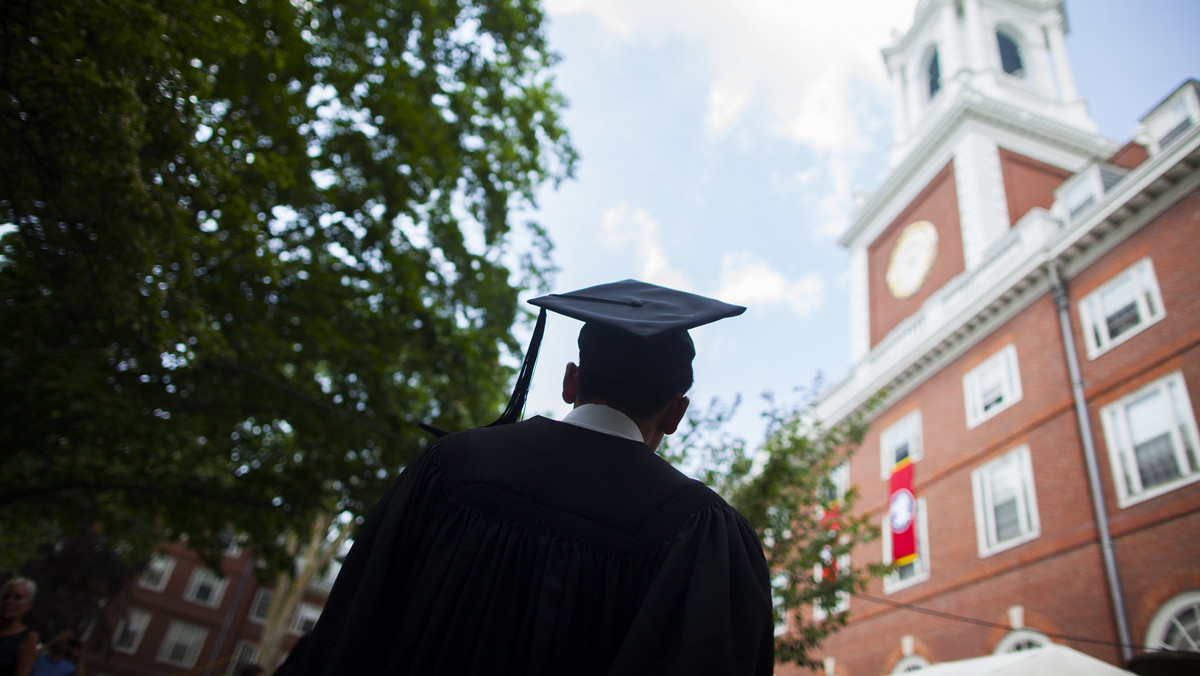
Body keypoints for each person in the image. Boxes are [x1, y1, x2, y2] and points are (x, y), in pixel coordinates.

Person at [276, 280, 775, 675]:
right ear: (675, 413)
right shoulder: (700, 531)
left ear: (570, 381)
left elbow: (350, 629)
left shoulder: (450, 466)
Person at [0, 578, 39, 676]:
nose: (9, 601)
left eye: (17, 598)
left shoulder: (27, 638)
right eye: (6, 597)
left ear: (28, 605)